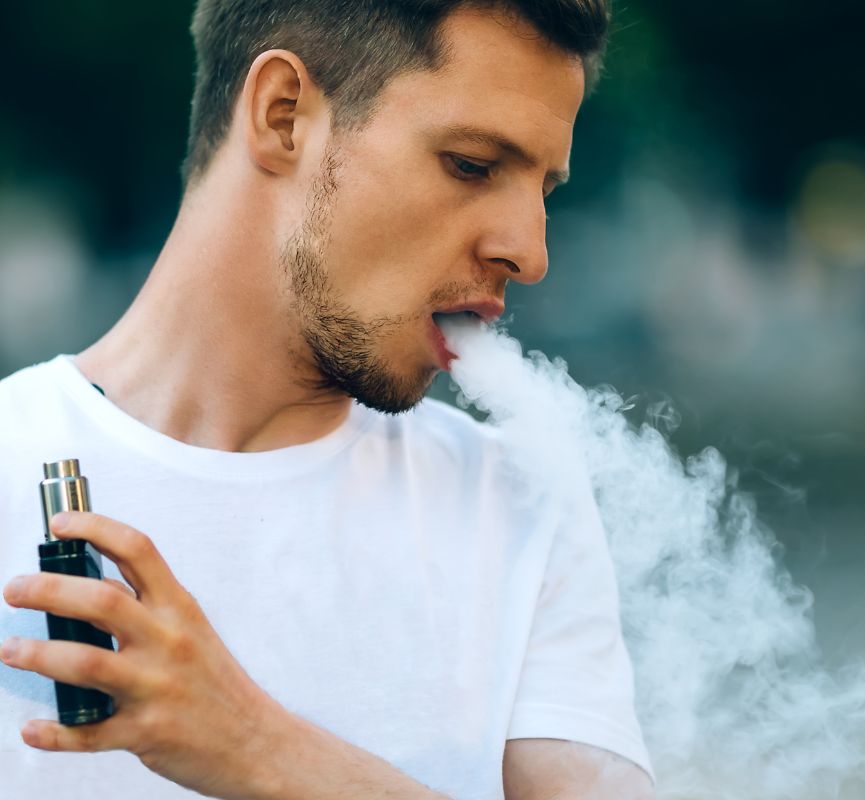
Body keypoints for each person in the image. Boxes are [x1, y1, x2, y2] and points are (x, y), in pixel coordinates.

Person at [0, 1, 655, 797]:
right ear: (284, 116)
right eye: (473, 165)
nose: (528, 250)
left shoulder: (523, 504)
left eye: (543, 188)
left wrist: (256, 746)